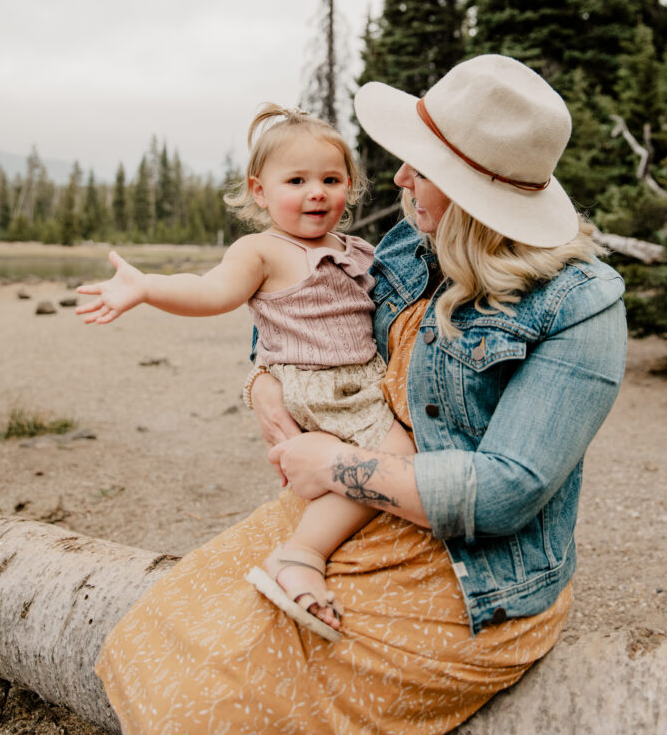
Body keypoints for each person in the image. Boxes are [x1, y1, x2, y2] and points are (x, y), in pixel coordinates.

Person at [91, 56, 627, 735]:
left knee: (224, 702)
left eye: (422, 168)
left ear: (469, 193)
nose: (400, 178)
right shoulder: (412, 237)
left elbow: (505, 492)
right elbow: (308, 316)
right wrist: (259, 383)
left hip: (467, 573)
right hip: (351, 509)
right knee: (164, 632)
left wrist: (330, 467)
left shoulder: (581, 307)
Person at [76, 103, 414, 641]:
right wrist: (147, 288)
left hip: (363, 380)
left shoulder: (359, 249)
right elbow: (210, 292)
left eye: (331, 179)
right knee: (391, 460)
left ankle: (328, 546)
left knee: (390, 458)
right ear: (259, 190)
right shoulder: (261, 250)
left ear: (350, 185)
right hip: (317, 386)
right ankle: (301, 555)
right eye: (296, 180)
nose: (316, 192)